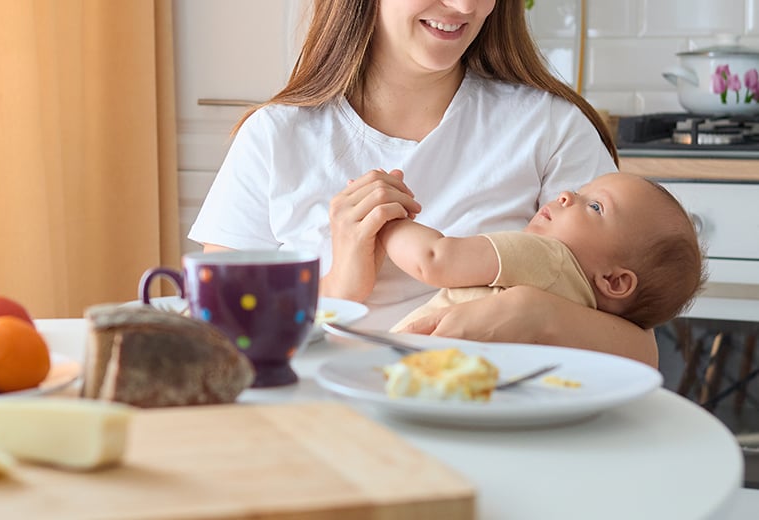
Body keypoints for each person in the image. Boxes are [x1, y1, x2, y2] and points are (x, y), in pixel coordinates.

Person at [188, 0, 660, 367]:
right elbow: (220, 339)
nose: (465, 7)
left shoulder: (551, 127)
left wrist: (540, 317)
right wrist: (338, 290)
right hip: (323, 426)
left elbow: (642, 353)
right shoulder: (274, 137)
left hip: (494, 427)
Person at [383, 172, 706, 332]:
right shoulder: (584, 315)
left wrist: (386, 220)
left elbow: (435, 259)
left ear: (615, 281)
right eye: (581, 192)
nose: (566, 195)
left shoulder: (548, 258)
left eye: (595, 206)